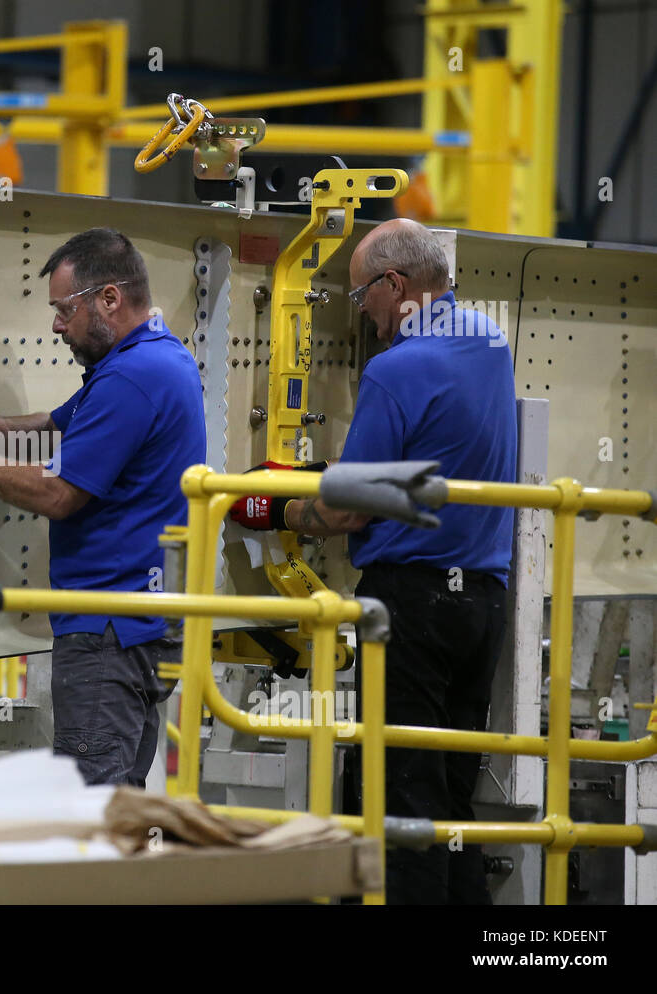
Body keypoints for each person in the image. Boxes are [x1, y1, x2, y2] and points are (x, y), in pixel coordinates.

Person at [230, 218, 517, 904]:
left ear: (396, 285)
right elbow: (434, 451)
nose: (366, 317)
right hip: (484, 602)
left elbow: (348, 513)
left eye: (363, 299)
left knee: (398, 797)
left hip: (411, 606)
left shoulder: (395, 370)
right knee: (450, 797)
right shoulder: (490, 340)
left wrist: (270, 508)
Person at [0, 228, 207, 787]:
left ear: (109, 299)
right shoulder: (158, 357)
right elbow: (60, 422)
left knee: (93, 806)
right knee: (121, 803)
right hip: (142, 620)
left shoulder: (131, 379)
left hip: (107, 630)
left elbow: (57, 495)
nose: (56, 325)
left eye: (64, 310)